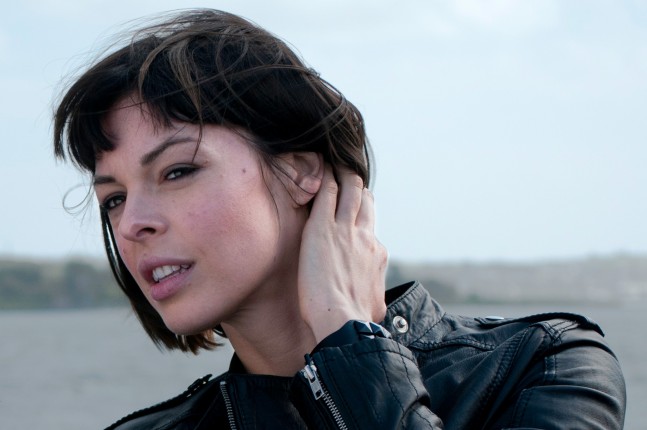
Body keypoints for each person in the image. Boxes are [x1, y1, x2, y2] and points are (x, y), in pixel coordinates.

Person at [53, 9, 626, 429]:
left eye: (178, 171)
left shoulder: (541, 366)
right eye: (114, 198)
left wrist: (347, 339)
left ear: (301, 170)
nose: (132, 224)